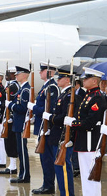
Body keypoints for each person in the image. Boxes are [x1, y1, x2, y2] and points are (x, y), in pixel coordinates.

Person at [65, 67, 106, 196]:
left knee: (91, 176)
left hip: (90, 143)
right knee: (85, 176)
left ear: (94, 81)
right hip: (83, 141)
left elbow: (89, 123)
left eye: (86, 78)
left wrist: (72, 123)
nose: (83, 80)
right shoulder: (88, 95)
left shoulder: (97, 98)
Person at [28, 62, 59, 194]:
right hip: (42, 126)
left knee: (47, 158)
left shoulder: (52, 88)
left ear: (50, 72)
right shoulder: (46, 86)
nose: (40, 73)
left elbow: (49, 109)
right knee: (44, 158)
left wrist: (33, 108)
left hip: (47, 128)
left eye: (42, 71)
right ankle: (46, 183)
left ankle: (49, 185)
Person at [50, 67, 77, 196]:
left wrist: (51, 118)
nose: (58, 80)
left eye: (60, 78)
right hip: (58, 136)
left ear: (67, 80)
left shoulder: (69, 96)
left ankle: (67, 194)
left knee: (64, 169)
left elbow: (64, 117)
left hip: (63, 137)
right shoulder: (64, 94)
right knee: (59, 169)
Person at [8, 65, 31, 183]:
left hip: (22, 125)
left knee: (22, 151)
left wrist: (10, 105)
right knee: (20, 151)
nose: (16, 76)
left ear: (24, 75)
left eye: (18, 74)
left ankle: (25, 176)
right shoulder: (22, 89)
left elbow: (23, 108)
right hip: (17, 124)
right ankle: (22, 174)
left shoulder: (26, 90)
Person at [0, 67, 19, 175]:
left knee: (11, 142)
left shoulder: (14, 86)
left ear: (13, 74)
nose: (6, 75)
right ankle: (11, 165)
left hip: (11, 118)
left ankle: (13, 166)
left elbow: (11, 101)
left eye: (8, 73)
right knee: (7, 141)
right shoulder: (9, 85)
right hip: (6, 117)